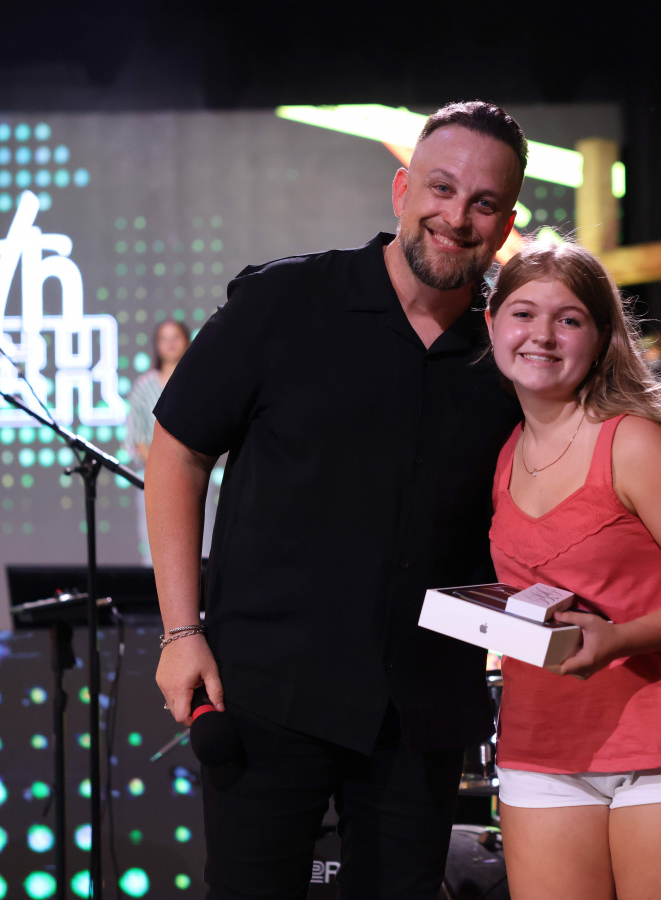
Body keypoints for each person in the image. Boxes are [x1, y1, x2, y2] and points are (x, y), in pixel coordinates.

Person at [147, 100, 527, 899]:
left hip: (424, 704)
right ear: (401, 190)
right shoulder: (284, 302)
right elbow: (178, 452)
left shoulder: (511, 349)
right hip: (266, 691)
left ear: (505, 223)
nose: (456, 217)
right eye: (441, 188)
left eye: (483, 202)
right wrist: (181, 632)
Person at [483, 240, 661, 900]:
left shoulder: (636, 441)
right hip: (545, 743)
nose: (541, 335)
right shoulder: (506, 453)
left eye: (568, 319)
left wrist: (618, 639)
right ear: (493, 324)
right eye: (523, 313)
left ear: (601, 337)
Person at [124, 320, 215, 566]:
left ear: (187, 341)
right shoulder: (143, 387)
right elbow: (137, 437)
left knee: (202, 547)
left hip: (195, 475)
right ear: (157, 345)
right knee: (157, 552)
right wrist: (166, 469)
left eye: (176, 337)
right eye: (164, 338)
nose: (171, 343)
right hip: (155, 479)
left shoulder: (199, 383)